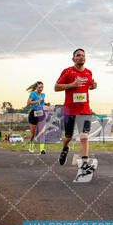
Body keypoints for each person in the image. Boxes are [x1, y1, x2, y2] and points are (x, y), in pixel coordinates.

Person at [54, 48, 97, 179]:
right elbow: (56, 87)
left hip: (84, 110)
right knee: (68, 137)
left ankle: (84, 164)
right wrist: (71, 85)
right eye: (78, 55)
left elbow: (90, 84)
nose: (81, 57)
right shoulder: (67, 72)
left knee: (84, 136)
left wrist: (93, 85)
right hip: (69, 110)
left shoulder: (88, 72)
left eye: (83, 55)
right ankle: (64, 149)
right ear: (73, 59)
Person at [26, 81, 46, 154]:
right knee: (33, 134)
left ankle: (42, 149)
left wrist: (46, 103)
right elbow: (28, 103)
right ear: (36, 87)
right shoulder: (33, 94)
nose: (41, 89)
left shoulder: (43, 95)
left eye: (42, 87)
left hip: (40, 114)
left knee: (41, 132)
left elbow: (42, 102)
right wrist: (37, 100)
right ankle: (31, 145)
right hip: (33, 114)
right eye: (39, 87)